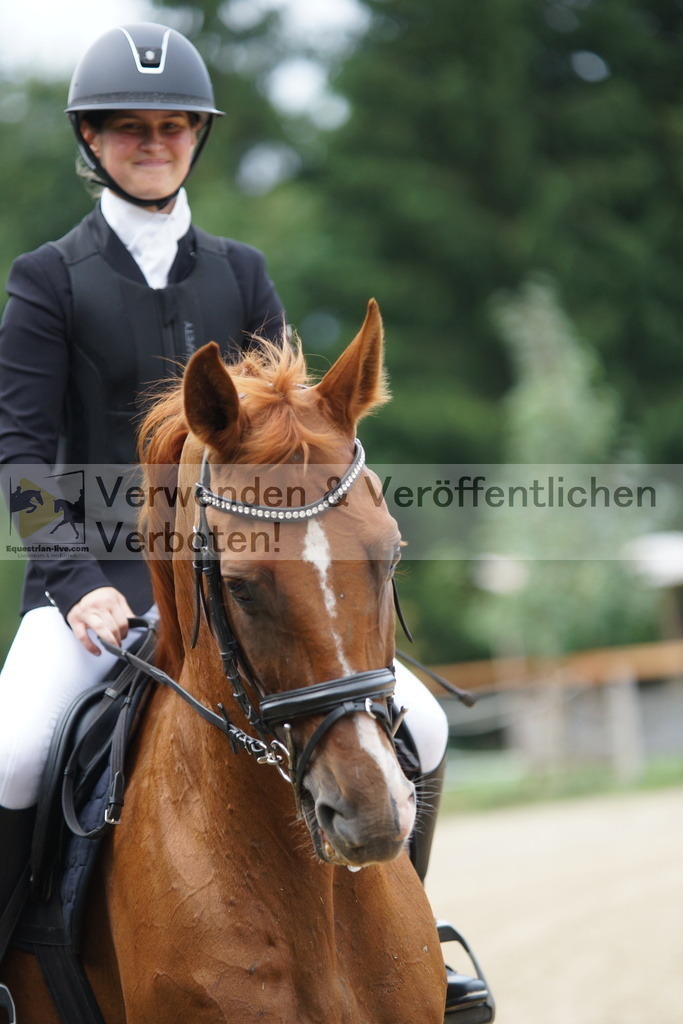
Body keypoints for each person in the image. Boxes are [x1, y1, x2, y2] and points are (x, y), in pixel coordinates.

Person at [0, 23, 488, 1022]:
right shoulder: (46, 279)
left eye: (173, 127)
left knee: (424, 723)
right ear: (91, 141)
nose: (154, 143)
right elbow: (20, 453)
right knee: (13, 748)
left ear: (195, 140)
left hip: (257, 587)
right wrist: (73, 578)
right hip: (94, 595)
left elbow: (297, 424)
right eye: (129, 129)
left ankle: (408, 932)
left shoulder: (241, 268)